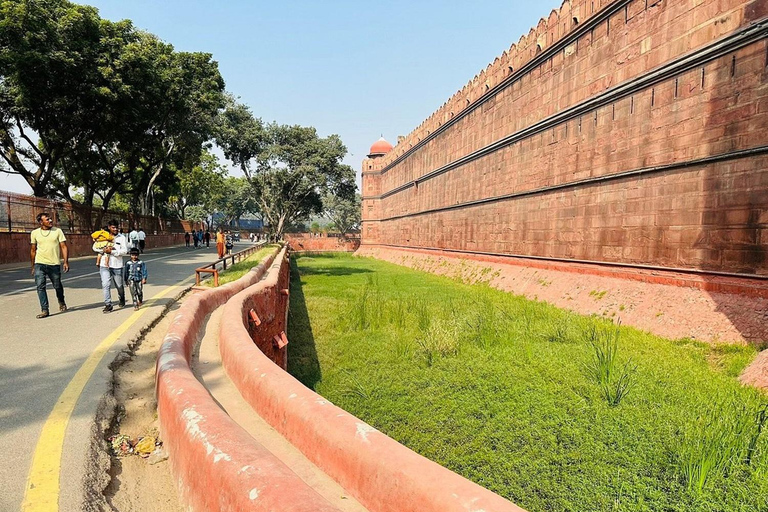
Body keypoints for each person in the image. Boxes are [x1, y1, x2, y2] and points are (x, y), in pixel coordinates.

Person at [30, 212, 69, 319]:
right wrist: (33, 265)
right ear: (41, 222)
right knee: (40, 286)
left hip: (54, 264)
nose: (50, 221)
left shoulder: (58, 231)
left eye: (50, 219)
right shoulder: (34, 233)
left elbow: (64, 247)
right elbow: (33, 250)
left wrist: (65, 262)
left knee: (57, 286)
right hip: (40, 263)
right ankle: (44, 309)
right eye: (47, 219)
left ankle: (61, 301)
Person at [98, 219, 128, 313]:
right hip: (104, 265)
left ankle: (122, 298)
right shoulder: (103, 236)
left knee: (119, 285)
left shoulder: (121, 237)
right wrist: (103, 250)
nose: (115, 229)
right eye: (113, 227)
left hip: (117, 265)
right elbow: (95, 247)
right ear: (109, 227)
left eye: (116, 227)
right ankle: (108, 304)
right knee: (105, 284)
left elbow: (124, 251)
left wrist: (112, 251)